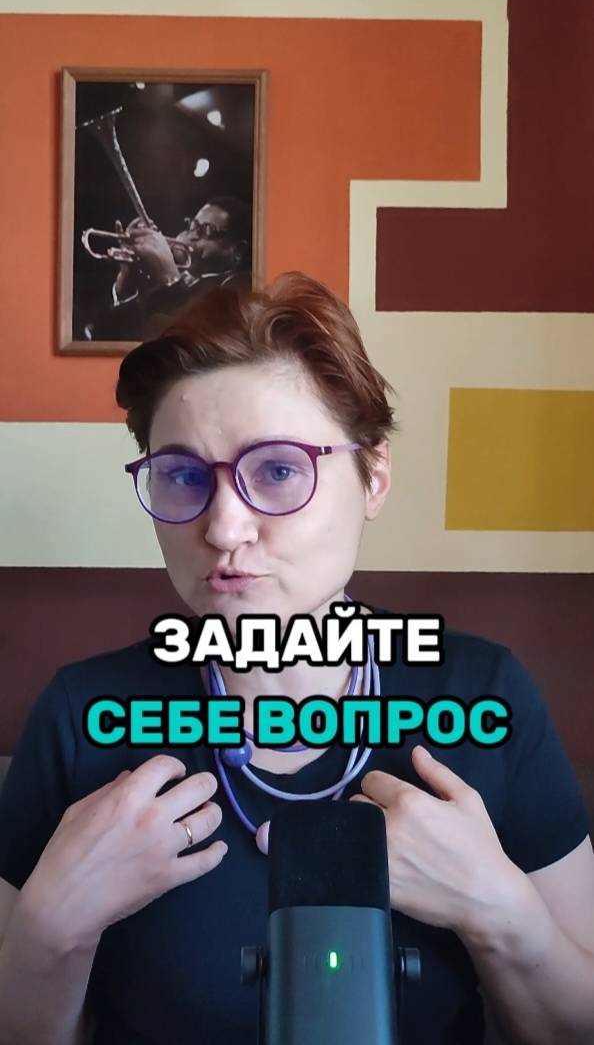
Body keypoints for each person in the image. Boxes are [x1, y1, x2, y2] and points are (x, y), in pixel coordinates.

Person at [0, 272, 593, 1045]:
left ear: (373, 476)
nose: (223, 528)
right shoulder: (83, 717)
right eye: (182, 475)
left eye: (278, 470)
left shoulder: (486, 695)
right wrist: (50, 928)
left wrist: (500, 912)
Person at [84, 195, 252, 342]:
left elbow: (189, 344)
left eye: (206, 230)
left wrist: (169, 279)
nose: (191, 236)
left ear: (237, 251)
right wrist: (125, 288)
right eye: (192, 226)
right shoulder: (161, 285)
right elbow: (101, 338)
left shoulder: (239, 290)